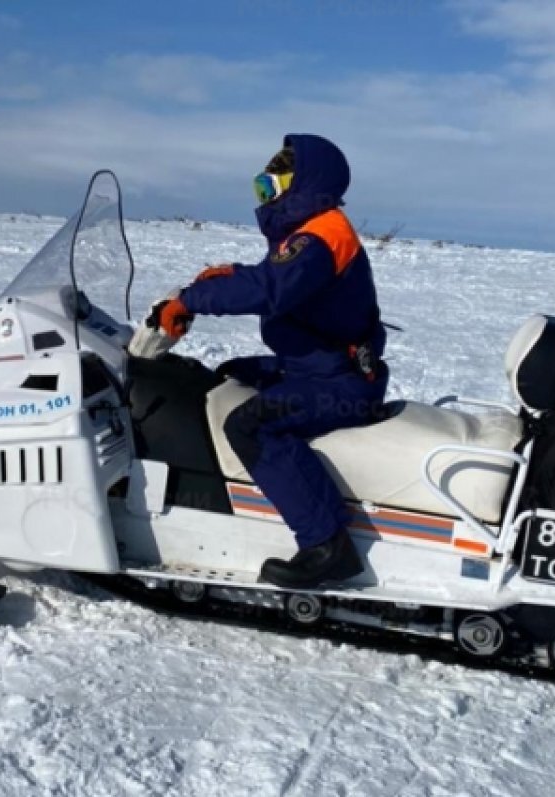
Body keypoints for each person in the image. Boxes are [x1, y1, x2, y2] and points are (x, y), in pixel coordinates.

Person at [146, 133, 389, 589]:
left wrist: (194, 299)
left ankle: (327, 545)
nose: (265, 195)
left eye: (272, 184)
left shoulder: (323, 236)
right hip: (318, 367)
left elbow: (272, 289)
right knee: (229, 372)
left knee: (251, 424)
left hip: (341, 384)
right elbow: (275, 277)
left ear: (304, 183)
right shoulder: (312, 232)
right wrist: (230, 275)